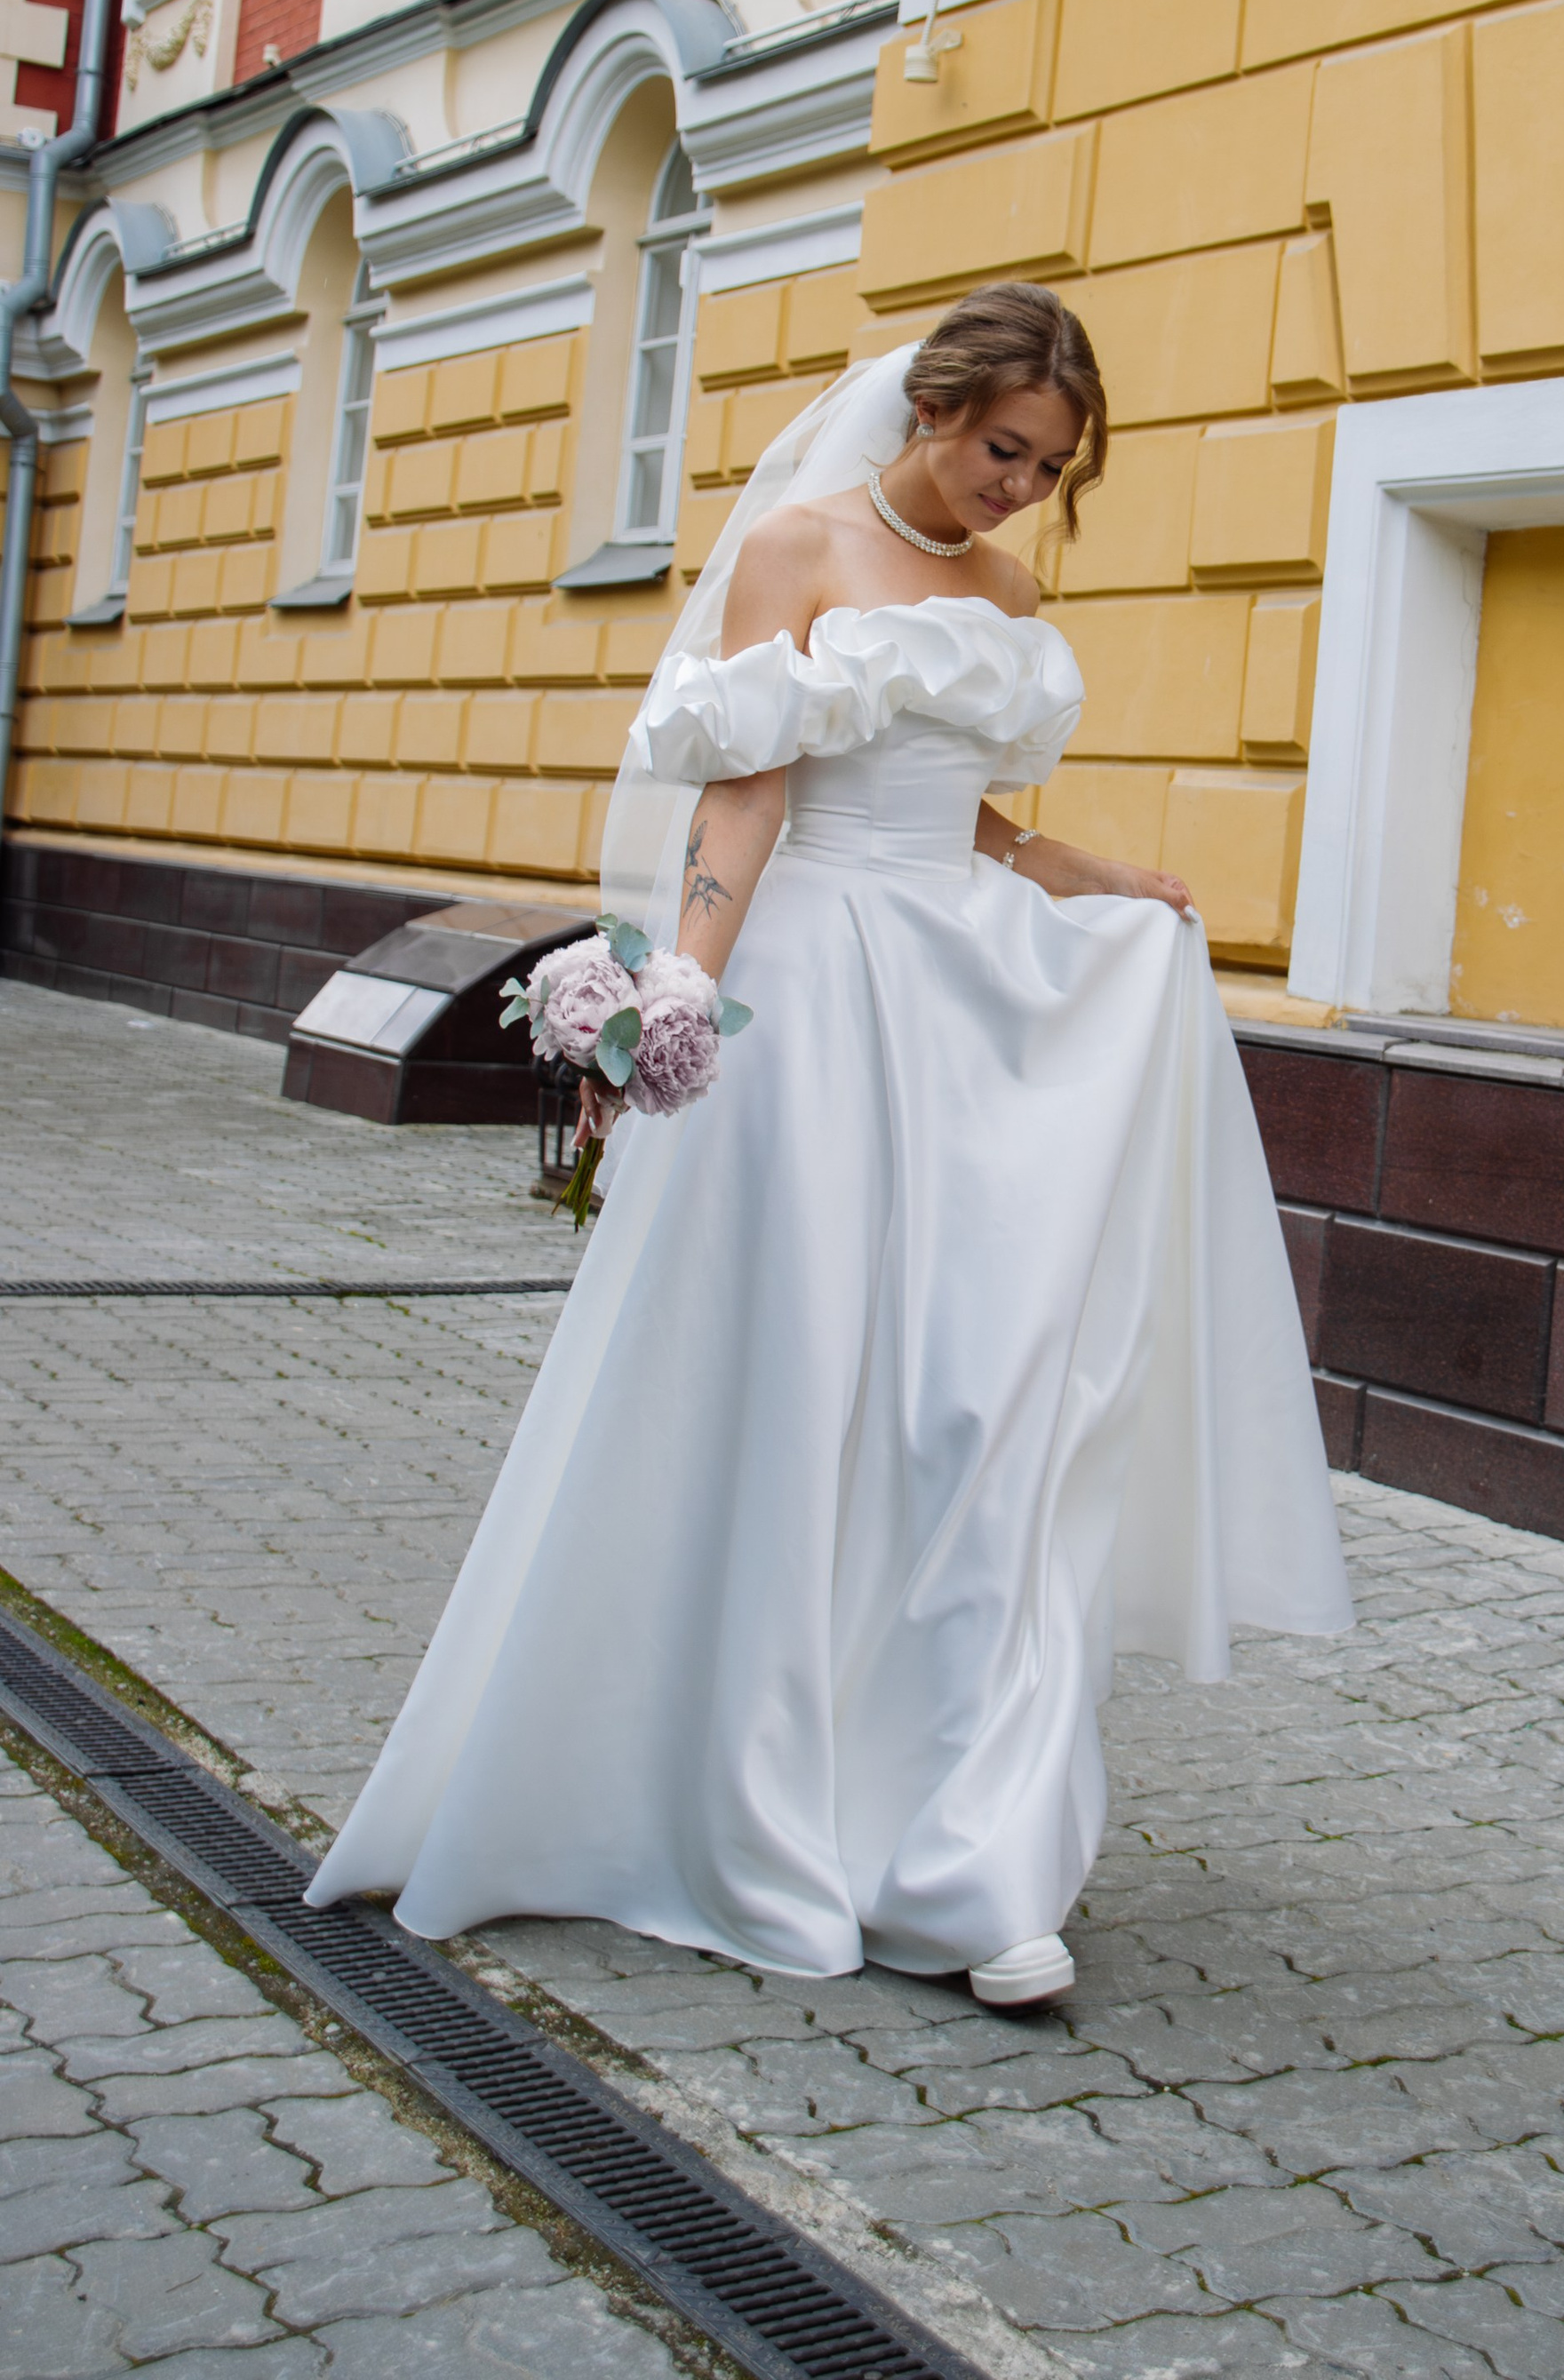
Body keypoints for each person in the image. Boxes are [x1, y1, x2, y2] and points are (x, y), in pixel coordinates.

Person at [307, 281, 1351, 2007]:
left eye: (1049, 465)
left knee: (988, 1402)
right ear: (932, 410)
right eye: (1003, 448)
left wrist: (1086, 876)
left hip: (965, 996)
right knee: (801, 1396)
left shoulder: (1008, 590)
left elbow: (960, 797)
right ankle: (744, 1797)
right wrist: (669, 1003)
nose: (1020, 488)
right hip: (819, 999)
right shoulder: (798, 550)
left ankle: (968, 1860)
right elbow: (749, 794)